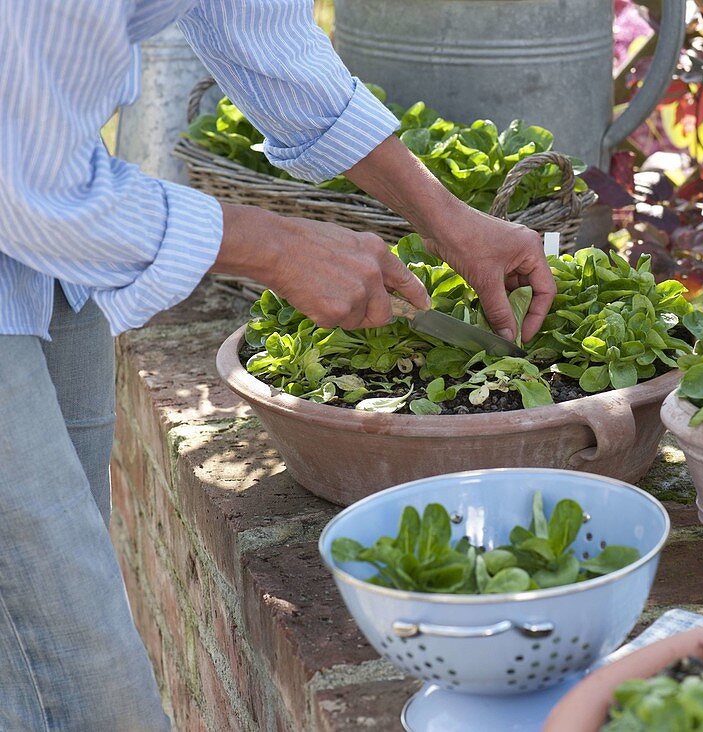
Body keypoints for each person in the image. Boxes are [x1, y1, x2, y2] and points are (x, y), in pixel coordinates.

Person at [0, 1, 556, 729]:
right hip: (32, 201)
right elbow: (26, 183)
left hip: (37, 250)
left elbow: (255, 29)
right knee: (83, 682)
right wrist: (277, 248)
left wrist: (446, 216)